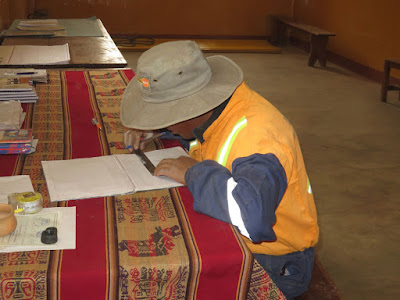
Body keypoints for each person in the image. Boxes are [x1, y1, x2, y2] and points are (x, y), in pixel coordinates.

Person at [120, 40, 319, 299]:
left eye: (164, 115)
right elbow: (205, 139)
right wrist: (160, 128)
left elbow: (253, 218)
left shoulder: (257, 135)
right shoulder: (221, 110)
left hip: (275, 260)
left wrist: (193, 173)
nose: (161, 122)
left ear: (192, 108)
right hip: (244, 237)